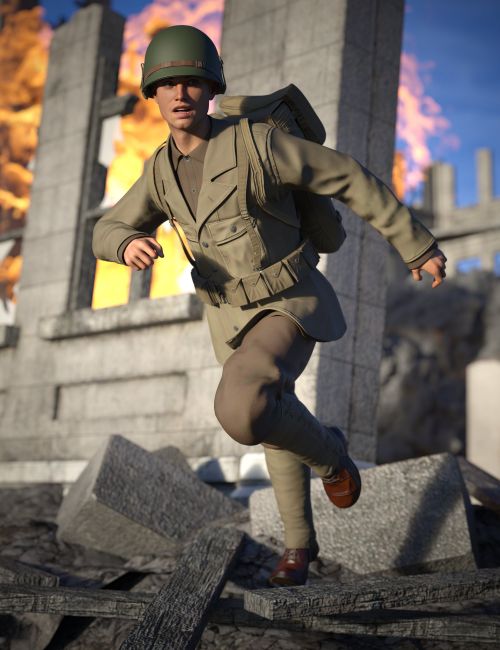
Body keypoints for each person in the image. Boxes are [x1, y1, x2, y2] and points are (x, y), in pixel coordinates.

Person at [92, 25, 447, 587]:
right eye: (168, 83)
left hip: (289, 300)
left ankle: (330, 455)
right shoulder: (159, 171)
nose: (180, 93)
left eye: (192, 82)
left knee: (242, 407)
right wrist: (125, 241)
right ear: (152, 94)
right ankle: (298, 547)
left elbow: (347, 175)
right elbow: (107, 227)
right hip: (229, 317)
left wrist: (415, 244)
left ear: (211, 89)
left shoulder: (255, 144)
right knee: (269, 410)